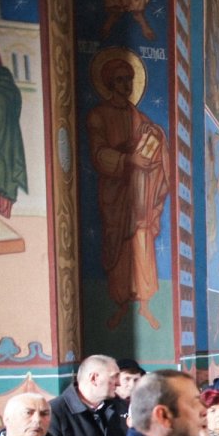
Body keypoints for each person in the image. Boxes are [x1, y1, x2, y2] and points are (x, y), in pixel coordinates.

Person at [87, 56, 170, 331]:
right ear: (110, 82)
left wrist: (155, 155)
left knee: (142, 240)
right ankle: (121, 305)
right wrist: (127, 161)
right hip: (116, 194)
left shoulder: (140, 117)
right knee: (120, 246)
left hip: (142, 195)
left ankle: (144, 305)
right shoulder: (98, 115)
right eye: (120, 79)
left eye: (129, 79)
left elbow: (154, 151)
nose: (126, 85)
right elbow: (98, 154)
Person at [49, 354, 128, 436]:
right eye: (114, 376)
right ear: (94, 378)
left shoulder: (121, 406)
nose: (118, 383)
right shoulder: (53, 412)